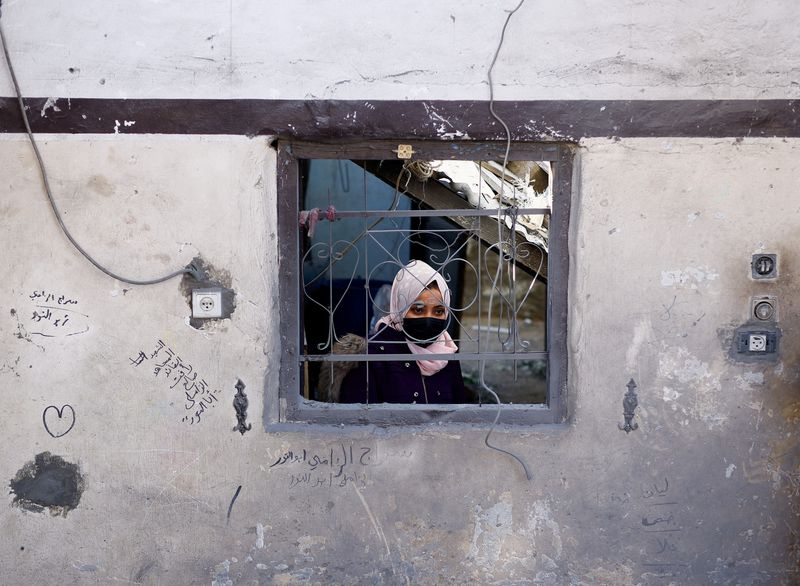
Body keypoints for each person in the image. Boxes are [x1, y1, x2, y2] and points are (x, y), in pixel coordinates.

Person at [337, 260, 466, 404]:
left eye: (438, 311)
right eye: (418, 310)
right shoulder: (373, 356)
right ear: (400, 309)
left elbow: (459, 415)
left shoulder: (447, 353)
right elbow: (361, 420)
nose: (429, 319)